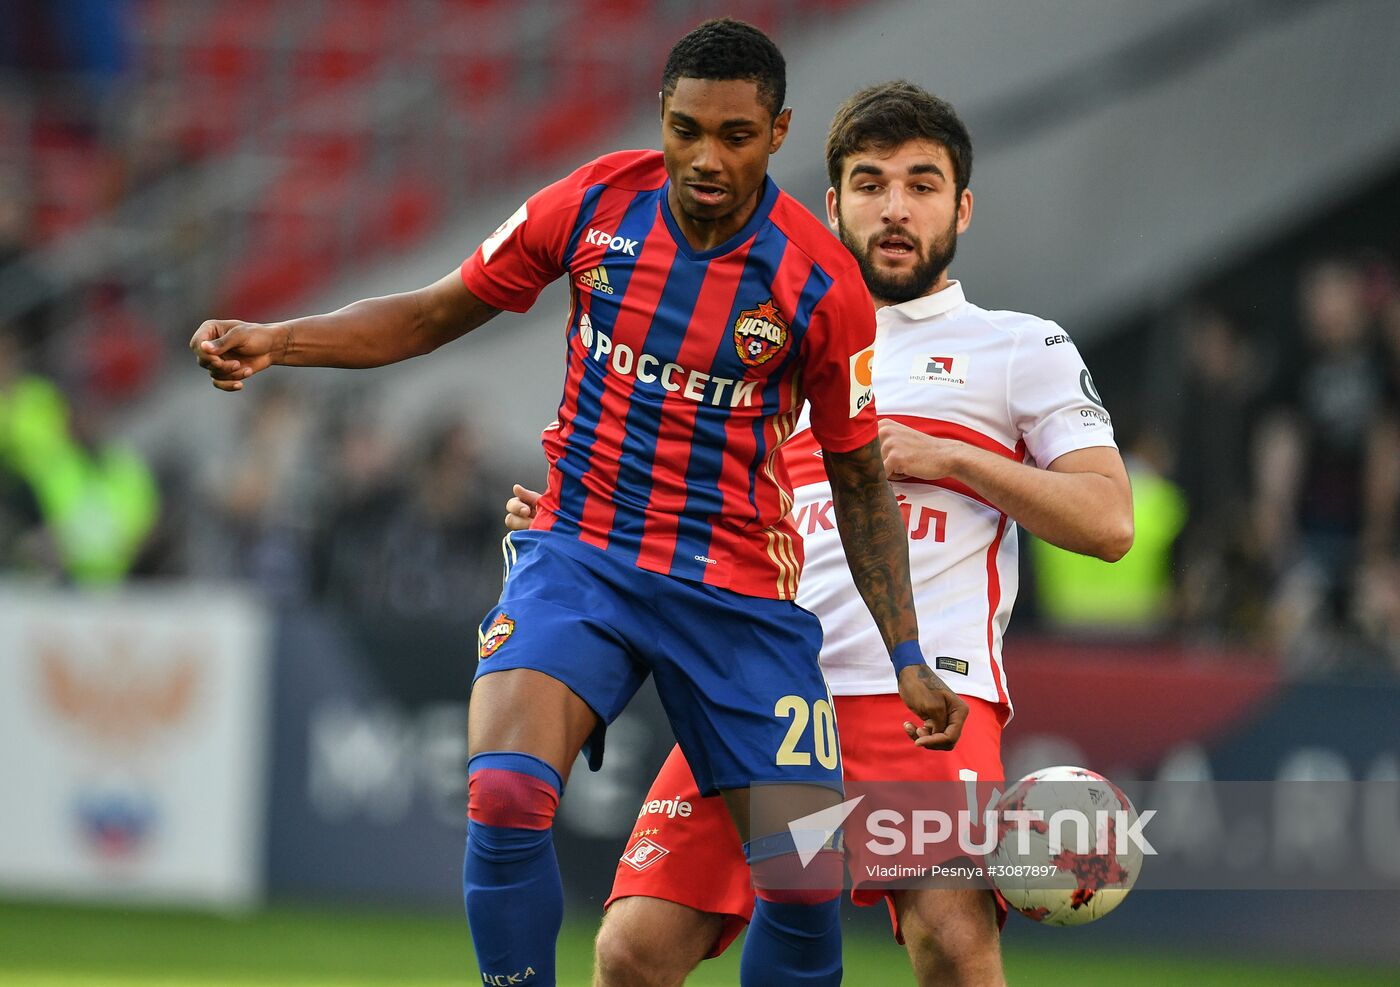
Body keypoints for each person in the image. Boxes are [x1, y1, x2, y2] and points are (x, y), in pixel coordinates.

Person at [190, 22, 966, 987]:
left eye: (735, 134)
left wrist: (905, 654)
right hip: (582, 554)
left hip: (735, 592)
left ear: (778, 133)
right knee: (507, 791)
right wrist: (280, 341)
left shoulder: (820, 284)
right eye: (687, 129)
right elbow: (434, 312)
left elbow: (857, 481)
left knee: (803, 877)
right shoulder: (596, 203)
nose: (707, 157)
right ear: (662, 120)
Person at [506, 80, 1133, 986]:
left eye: (922, 185)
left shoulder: (1020, 347)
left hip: (919, 698)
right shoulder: (765, 340)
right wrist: (572, 515)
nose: (895, 208)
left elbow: (1109, 521)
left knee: (952, 946)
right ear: (833, 203)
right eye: (871, 184)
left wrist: (950, 459)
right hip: (757, 684)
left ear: (961, 207)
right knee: (631, 951)